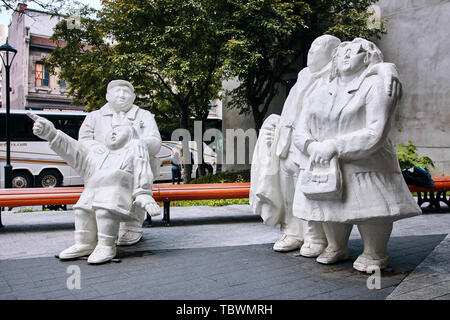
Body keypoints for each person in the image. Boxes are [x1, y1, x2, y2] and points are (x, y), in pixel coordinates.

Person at [292, 38, 421, 272]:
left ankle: (374, 253)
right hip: (326, 164)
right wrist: (312, 146)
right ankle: (336, 246)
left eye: (355, 52)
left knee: (371, 210)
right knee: (332, 205)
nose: (347, 56)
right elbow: (300, 129)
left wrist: (334, 146)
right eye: (342, 52)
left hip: (367, 163)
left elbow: (376, 131)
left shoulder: (378, 85)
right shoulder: (320, 89)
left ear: (368, 59)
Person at [28, 113, 161, 264]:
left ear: (131, 133)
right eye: (112, 131)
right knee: (82, 210)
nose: (113, 133)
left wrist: (143, 193)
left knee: (105, 209)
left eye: (119, 130)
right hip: (92, 190)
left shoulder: (135, 148)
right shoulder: (98, 152)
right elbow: (75, 151)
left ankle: (106, 246)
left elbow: (142, 169)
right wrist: (52, 134)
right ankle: (84, 243)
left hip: (116, 191)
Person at [78, 80, 162, 246]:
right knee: (93, 202)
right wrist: (96, 148)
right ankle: (90, 237)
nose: (122, 95)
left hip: (133, 168)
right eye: (117, 91)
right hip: (102, 169)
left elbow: (155, 142)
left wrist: (138, 145)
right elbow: (84, 140)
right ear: (107, 95)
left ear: (134, 97)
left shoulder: (144, 115)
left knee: (133, 195)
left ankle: (132, 225)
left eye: (126, 92)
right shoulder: (94, 117)